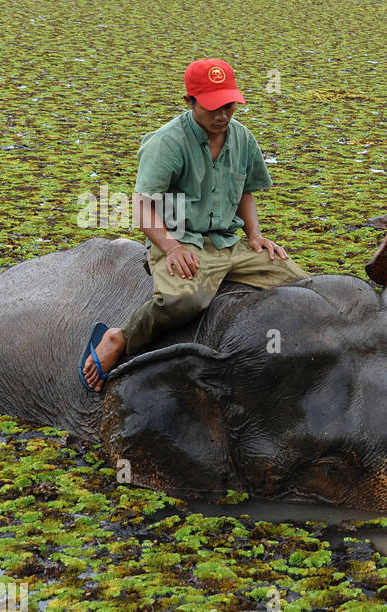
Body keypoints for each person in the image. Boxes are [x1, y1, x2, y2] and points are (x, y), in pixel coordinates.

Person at [81, 58, 308, 392]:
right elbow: (142, 206)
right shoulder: (167, 142)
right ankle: (121, 337)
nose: (223, 115)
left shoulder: (242, 138)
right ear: (189, 101)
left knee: (303, 283)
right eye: (213, 107)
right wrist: (171, 248)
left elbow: (246, 190)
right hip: (181, 240)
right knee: (183, 301)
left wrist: (256, 236)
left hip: (229, 243)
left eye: (229, 105)